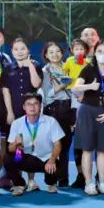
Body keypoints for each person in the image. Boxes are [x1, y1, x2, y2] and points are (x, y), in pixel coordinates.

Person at [70, 41, 104, 196]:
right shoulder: (88, 69)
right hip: (87, 111)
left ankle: (102, 182)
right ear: (95, 52)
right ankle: (89, 183)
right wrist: (89, 87)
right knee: (87, 150)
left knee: (102, 150)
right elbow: (75, 88)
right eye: (100, 51)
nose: (103, 54)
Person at [5, 93, 65, 195]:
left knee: (57, 168)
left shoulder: (51, 121)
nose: (32, 107)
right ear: (24, 107)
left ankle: (51, 183)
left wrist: (52, 160)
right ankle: (19, 184)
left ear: (40, 106)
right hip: (27, 158)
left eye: (35, 103)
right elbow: (10, 148)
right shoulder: (17, 123)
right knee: (8, 158)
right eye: (29, 104)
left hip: (46, 159)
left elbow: (57, 144)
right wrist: (15, 143)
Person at [40, 42, 76, 187]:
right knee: (55, 145)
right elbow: (46, 95)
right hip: (54, 109)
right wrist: (62, 86)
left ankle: (63, 177)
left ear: (62, 53)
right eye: (51, 52)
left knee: (66, 145)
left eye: (57, 51)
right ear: (46, 55)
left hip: (70, 108)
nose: (55, 54)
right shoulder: (45, 71)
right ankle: (52, 177)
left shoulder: (69, 67)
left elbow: (75, 90)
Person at [64, 37, 91, 189]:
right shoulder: (69, 61)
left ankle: (91, 176)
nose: (79, 52)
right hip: (70, 96)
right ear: (71, 51)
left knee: (85, 141)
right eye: (76, 49)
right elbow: (63, 74)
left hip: (84, 98)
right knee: (75, 140)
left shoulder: (88, 63)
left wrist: (84, 93)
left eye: (81, 49)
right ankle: (79, 175)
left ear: (85, 51)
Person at [5, 37, 42, 122]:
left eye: (23, 49)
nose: (19, 52)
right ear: (12, 51)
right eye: (16, 49)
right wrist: (9, 112)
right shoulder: (8, 68)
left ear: (28, 50)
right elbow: (6, 91)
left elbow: (36, 84)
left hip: (32, 108)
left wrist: (30, 65)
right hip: (14, 108)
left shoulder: (36, 65)